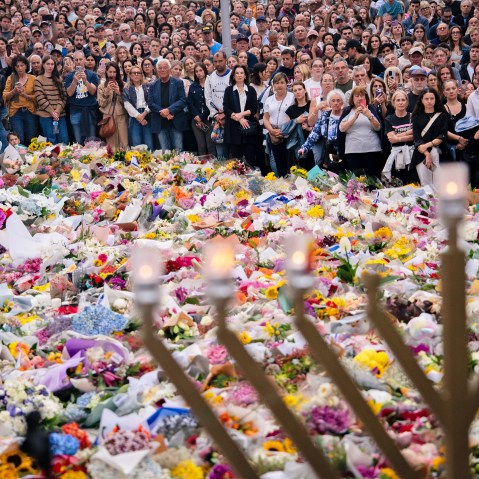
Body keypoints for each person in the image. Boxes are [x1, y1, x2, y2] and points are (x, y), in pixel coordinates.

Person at [338, 85, 384, 177]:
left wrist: (369, 115)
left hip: (372, 151)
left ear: (366, 97)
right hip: (353, 152)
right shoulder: (348, 111)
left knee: (373, 181)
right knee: (357, 182)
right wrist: (354, 117)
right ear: (352, 98)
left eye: (362, 96)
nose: (359, 98)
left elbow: (378, 127)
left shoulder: (372, 109)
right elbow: (341, 129)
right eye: (357, 96)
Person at [147, 59, 188, 151]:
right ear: (157, 71)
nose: (162, 70)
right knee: (165, 151)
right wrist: (164, 112)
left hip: (175, 120)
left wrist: (169, 110)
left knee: (178, 148)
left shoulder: (178, 82)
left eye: (165, 68)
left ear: (169, 70)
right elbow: (150, 103)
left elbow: (182, 100)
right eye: (160, 68)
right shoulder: (152, 85)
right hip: (160, 122)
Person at [223, 64, 259, 166]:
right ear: (233, 76)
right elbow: (226, 109)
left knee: (250, 157)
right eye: (237, 73)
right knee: (236, 160)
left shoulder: (251, 90)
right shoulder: (229, 90)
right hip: (233, 128)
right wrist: (239, 119)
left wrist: (242, 114)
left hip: (248, 127)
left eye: (241, 73)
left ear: (245, 75)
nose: (239, 75)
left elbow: (254, 108)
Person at [411, 87, 449, 186]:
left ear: (436, 99)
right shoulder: (416, 116)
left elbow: (443, 135)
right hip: (421, 155)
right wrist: (427, 154)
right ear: (421, 100)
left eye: (432, 98)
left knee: (440, 184)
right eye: (426, 99)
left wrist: (428, 144)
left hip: (439, 152)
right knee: (426, 185)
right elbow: (417, 138)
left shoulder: (442, 115)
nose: (429, 101)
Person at [299, 89, 345, 167]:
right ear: (329, 103)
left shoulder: (346, 115)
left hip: (345, 152)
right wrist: (305, 147)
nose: (336, 103)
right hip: (330, 154)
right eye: (333, 101)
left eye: (338, 100)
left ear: (342, 102)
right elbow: (315, 133)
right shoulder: (325, 115)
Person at [263, 72, 295, 177]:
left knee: (290, 162)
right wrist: (271, 130)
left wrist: (285, 129)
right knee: (277, 162)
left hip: (289, 134)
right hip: (273, 134)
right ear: (273, 85)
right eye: (276, 83)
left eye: (282, 82)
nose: (279, 85)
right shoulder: (269, 99)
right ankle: (281, 183)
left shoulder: (292, 97)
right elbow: (265, 118)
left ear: (287, 84)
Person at [64, 51, 98, 144]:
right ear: (73, 61)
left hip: (90, 109)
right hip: (75, 110)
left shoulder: (92, 74)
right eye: (76, 60)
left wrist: (85, 81)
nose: (78, 62)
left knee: (92, 140)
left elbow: (93, 91)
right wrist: (74, 81)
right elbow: (69, 94)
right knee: (78, 140)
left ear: (84, 60)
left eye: (80, 59)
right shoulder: (69, 76)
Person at [34, 55, 69, 144]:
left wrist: (57, 112)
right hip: (46, 115)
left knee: (64, 139)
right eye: (48, 64)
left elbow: (63, 96)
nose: (50, 66)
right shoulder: (38, 79)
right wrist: (52, 112)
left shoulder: (59, 79)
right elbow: (40, 98)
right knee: (51, 140)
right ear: (43, 65)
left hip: (59, 115)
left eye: (52, 64)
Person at [3, 55, 37, 146]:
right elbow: (5, 96)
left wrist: (25, 95)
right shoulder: (11, 78)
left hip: (30, 110)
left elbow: (38, 96)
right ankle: (20, 159)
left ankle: (32, 159)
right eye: (17, 66)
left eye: (22, 65)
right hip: (15, 112)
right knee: (19, 139)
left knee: (31, 138)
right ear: (14, 67)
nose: (20, 68)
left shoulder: (33, 78)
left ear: (26, 66)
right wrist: (14, 91)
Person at [382, 90, 414, 183]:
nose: (401, 103)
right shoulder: (389, 119)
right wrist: (408, 133)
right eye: (398, 100)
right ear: (393, 102)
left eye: (403, 100)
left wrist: (398, 137)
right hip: (397, 154)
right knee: (399, 181)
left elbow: (415, 136)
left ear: (407, 102)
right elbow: (392, 139)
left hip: (411, 152)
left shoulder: (412, 117)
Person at [205, 51, 231, 158]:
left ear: (226, 60)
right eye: (215, 62)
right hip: (217, 119)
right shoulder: (210, 78)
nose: (218, 64)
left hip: (231, 117)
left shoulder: (232, 75)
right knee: (220, 152)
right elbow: (208, 98)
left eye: (220, 61)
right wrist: (216, 115)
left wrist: (226, 114)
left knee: (232, 151)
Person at [97, 62, 129, 150]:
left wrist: (119, 92)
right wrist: (106, 92)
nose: (112, 74)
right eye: (110, 72)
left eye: (114, 72)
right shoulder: (101, 86)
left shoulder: (124, 84)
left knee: (124, 142)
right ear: (106, 72)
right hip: (108, 116)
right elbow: (101, 104)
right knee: (111, 146)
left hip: (121, 115)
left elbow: (128, 104)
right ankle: (112, 163)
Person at [187, 62, 216, 156]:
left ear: (205, 71)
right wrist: (196, 116)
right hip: (196, 120)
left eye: (201, 70)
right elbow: (190, 103)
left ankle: (213, 167)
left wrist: (202, 116)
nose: (199, 73)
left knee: (210, 145)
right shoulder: (193, 86)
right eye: (196, 71)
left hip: (208, 118)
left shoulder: (211, 84)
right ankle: (202, 167)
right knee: (201, 146)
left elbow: (211, 102)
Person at [122, 65, 153, 150]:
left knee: (149, 141)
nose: (136, 75)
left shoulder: (148, 86)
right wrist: (139, 116)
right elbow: (127, 105)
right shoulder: (127, 89)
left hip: (147, 114)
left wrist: (144, 114)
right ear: (130, 75)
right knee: (136, 142)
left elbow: (151, 101)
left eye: (138, 73)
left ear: (141, 75)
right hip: (134, 116)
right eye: (134, 73)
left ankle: (151, 162)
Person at [284, 81, 313, 169]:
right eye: (295, 90)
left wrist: (309, 128)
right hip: (296, 144)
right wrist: (296, 120)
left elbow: (319, 123)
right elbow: (286, 129)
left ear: (305, 90)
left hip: (312, 141)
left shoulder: (312, 105)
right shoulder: (291, 109)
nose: (298, 92)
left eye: (300, 89)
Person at [443, 79, 467, 161]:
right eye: (448, 89)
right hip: (449, 149)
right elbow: (442, 129)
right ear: (444, 92)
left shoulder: (466, 107)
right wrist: (459, 139)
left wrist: (464, 142)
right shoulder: (441, 110)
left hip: (466, 148)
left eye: (453, 88)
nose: (451, 91)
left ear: (458, 89)